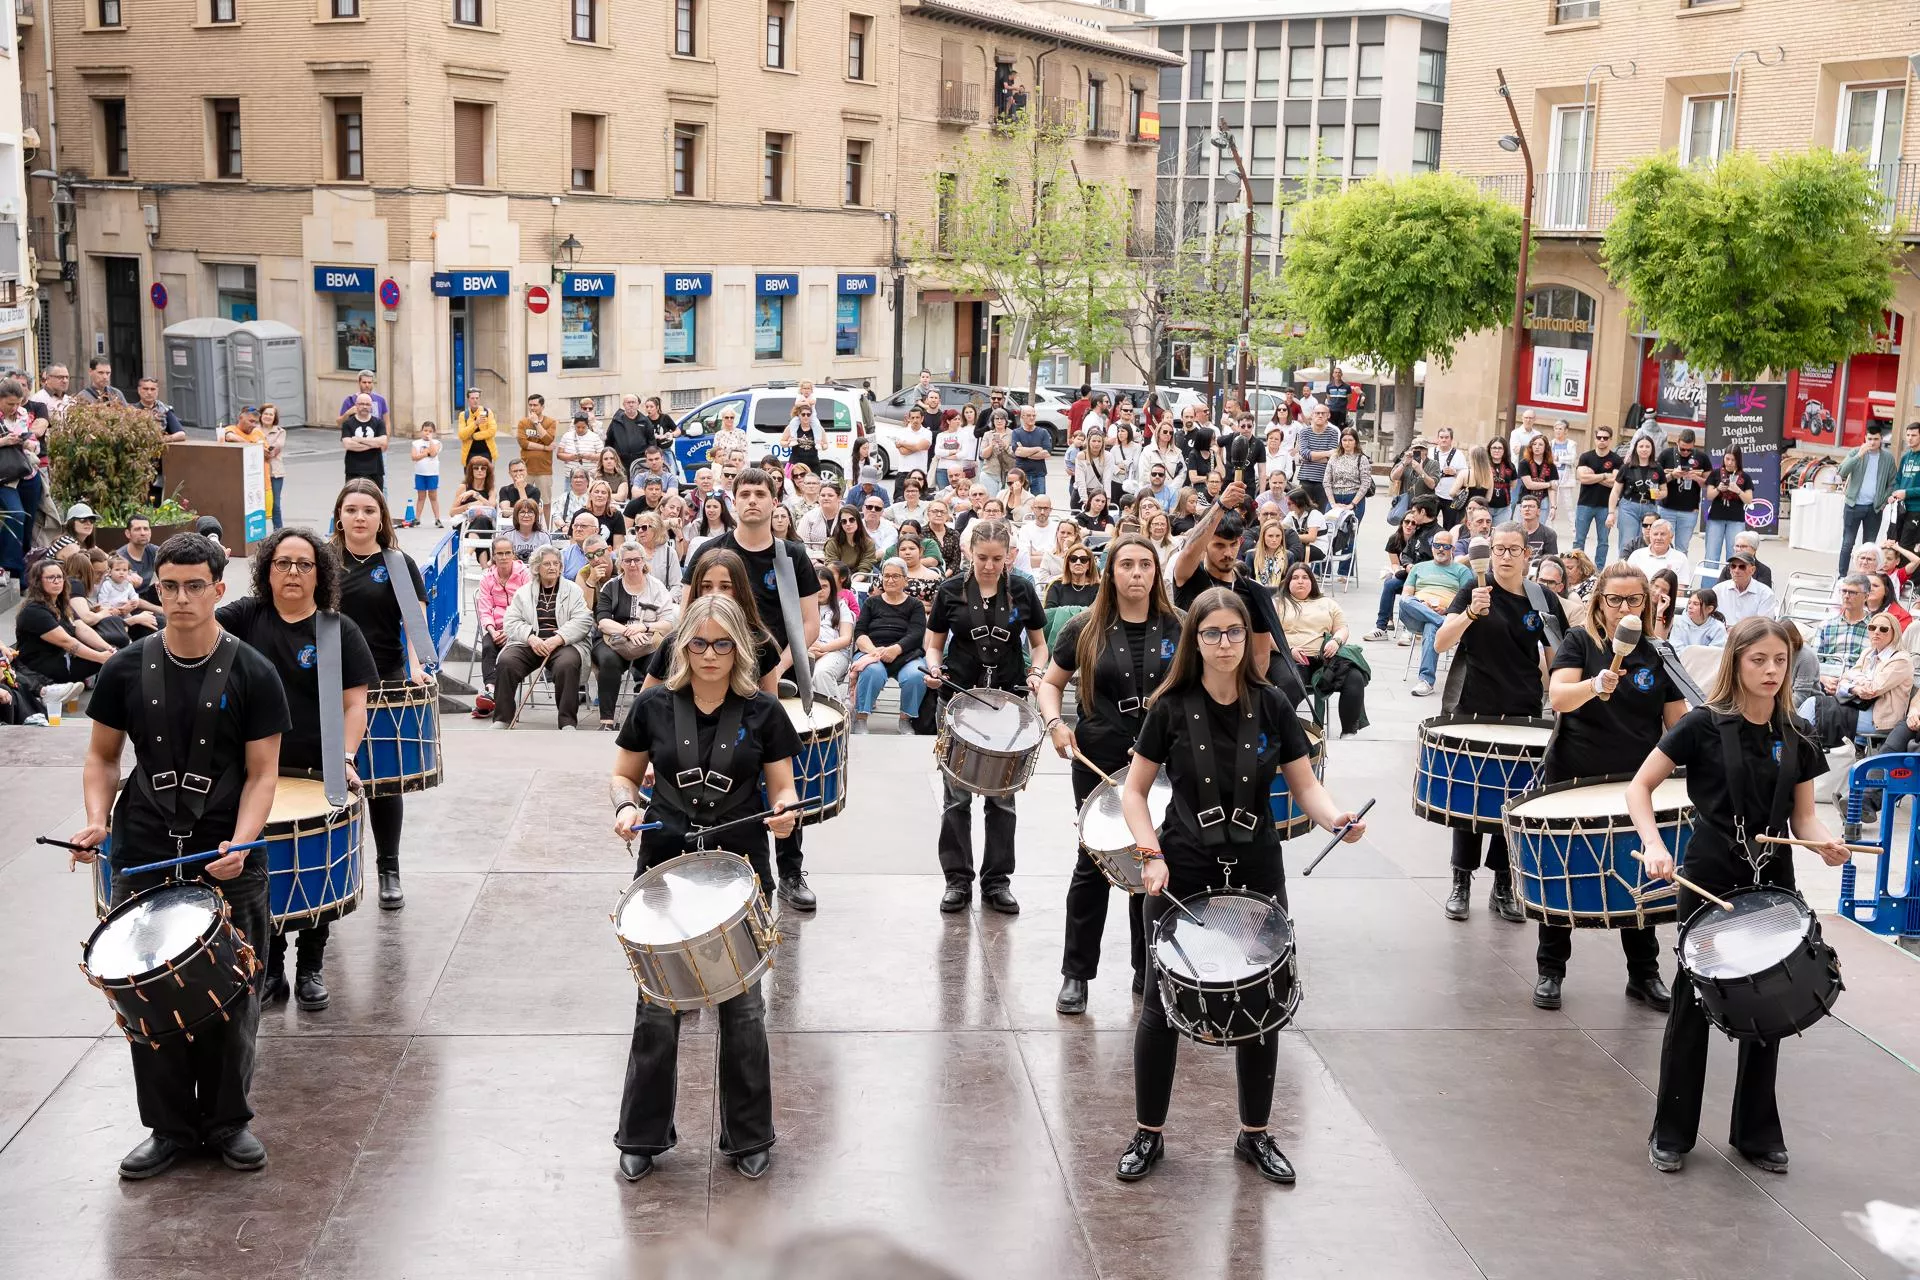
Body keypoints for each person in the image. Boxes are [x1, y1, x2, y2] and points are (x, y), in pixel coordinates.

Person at [1115, 586, 1367, 1186]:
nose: (1224, 643)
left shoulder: (1273, 703)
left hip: (1257, 868)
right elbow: (1134, 791)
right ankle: (1148, 1133)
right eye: (1212, 634)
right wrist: (1149, 854)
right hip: (1182, 868)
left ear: (1247, 638)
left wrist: (1334, 818)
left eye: (1233, 632)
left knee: (1263, 1001)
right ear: (1195, 640)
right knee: (1160, 1007)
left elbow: (1305, 786)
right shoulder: (1169, 706)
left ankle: (1254, 1134)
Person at [68, 532, 289, 1180]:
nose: (182, 598)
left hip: (227, 852)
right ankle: (168, 1129)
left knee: (234, 993)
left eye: (195, 586)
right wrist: (96, 820)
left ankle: (227, 1122)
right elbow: (102, 757)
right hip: (145, 846)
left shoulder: (254, 671)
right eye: (169, 586)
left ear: (219, 588)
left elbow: (263, 774)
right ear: (156, 589)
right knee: (146, 993)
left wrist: (242, 842)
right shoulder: (124, 669)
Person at [1630, 618, 1848, 1176]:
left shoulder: (1797, 732)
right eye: (1759, 660)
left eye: (1781, 660)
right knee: (1694, 1002)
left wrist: (1826, 844)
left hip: (1773, 879)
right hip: (1710, 874)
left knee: (1771, 1000)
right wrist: (1654, 846)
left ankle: (1755, 1133)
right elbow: (1640, 786)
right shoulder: (1701, 724)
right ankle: (1672, 1132)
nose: (1772, 671)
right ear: (1736, 660)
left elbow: (1804, 818)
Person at [609, 594, 802, 1184]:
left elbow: (783, 787)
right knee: (657, 1007)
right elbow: (623, 774)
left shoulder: (764, 711)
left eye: (722, 644)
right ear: (683, 647)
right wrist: (625, 807)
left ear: (738, 648)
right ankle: (642, 1135)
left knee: (743, 1009)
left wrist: (786, 812)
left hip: (739, 870)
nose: (710, 654)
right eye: (698, 643)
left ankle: (748, 1134)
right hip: (664, 866)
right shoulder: (652, 705)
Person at [217, 529, 377, 1012]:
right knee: (258, 870)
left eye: (304, 564)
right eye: (282, 563)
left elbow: (354, 705)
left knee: (312, 869)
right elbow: (196, 625)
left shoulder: (337, 630)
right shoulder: (245, 616)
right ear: (267, 570)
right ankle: (270, 968)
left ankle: (310, 965)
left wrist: (345, 759)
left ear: (319, 574)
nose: (292, 572)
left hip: (315, 769)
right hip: (251, 770)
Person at [1533, 563, 1687, 1012]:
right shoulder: (1580, 642)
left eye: (1634, 600)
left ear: (1647, 604)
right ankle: (1550, 970)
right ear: (1599, 601)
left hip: (1634, 782)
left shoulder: (1658, 653)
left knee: (1638, 878)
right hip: (1574, 775)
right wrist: (1593, 684)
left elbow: (1677, 723)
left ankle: (1644, 974)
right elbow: (1559, 697)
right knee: (1563, 873)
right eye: (1615, 599)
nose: (1624, 608)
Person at [1038, 533, 1178, 1011]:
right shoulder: (1083, 627)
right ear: (1111, 573)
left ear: (1156, 572)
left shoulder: (1180, 626)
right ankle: (1076, 975)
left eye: (1145, 565)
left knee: (1153, 860)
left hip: (1162, 761)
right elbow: (1051, 685)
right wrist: (1055, 724)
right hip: (1099, 760)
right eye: (1127, 565)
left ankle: (1149, 968)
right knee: (1093, 864)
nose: (1137, 573)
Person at [1434, 523, 1567, 922]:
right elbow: (1441, 642)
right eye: (1498, 549)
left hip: (1524, 709)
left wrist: (1560, 704)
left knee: (1514, 799)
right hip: (1474, 706)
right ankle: (1460, 881)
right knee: (1471, 797)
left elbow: (1557, 657)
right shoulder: (1474, 589)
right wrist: (1470, 613)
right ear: (1489, 553)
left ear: (1528, 554)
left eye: (1513, 549)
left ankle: (1504, 885)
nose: (1505, 556)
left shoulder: (1543, 598)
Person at [706, 468, 822, 910]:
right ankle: (723, 869)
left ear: (775, 502)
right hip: (715, 679)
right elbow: (691, 616)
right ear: (734, 501)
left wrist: (776, 665)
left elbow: (809, 625)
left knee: (780, 778)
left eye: (761, 493)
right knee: (722, 774)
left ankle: (790, 872)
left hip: (771, 684)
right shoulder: (712, 552)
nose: (752, 500)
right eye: (745, 493)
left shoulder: (791, 556)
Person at [923, 519, 1049, 914]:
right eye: (982, 558)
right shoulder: (950, 590)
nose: (990, 566)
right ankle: (957, 881)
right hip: (958, 701)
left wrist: (1036, 672)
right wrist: (934, 667)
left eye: (997, 559)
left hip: (1008, 703)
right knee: (956, 797)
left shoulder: (1023, 589)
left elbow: (1040, 645)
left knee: (1002, 799)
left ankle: (997, 882)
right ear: (969, 553)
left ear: (1009, 555)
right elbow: (933, 643)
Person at [330, 479, 430, 909]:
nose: (360, 517)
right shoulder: (321, 561)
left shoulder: (397, 562)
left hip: (384, 680)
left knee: (384, 783)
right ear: (339, 516)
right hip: (329, 681)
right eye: (351, 510)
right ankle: (332, 874)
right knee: (330, 780)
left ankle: (389, 869)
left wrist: (417, 667)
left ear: (381, 518)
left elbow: (414, 622)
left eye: (368, 510)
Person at [489, 544, 593, 729]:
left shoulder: (573, 590)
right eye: (547, 564)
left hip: (563, 644)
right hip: (530, 643)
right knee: (506, 661)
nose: (552, 567)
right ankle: (502, 719)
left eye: (556, 563)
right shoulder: (524, 592)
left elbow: (583, 620)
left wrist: (558, 638)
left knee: (567, 664)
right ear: (537, 567)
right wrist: (530, 637)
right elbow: (510, 622)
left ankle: (567, 721)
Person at [593, 541, 677, 730]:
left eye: (637, 560)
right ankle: (606, 721)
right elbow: (603, 621)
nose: (632, 564)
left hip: (647, 640)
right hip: (613, 640)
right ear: (620, 563)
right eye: (627, 561)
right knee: (608, 661)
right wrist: (628, 631)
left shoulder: (657, 587)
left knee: (660, 662)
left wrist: (644, 627)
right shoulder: (611, 587)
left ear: (643, 561)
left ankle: (651, 720)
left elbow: (668, 623)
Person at [12, 557, 116, 687]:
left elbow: (82, 629)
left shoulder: (61, 604)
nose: (57, 581)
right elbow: (66, 642)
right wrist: (101, 657)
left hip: (62, 659)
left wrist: (109, 649)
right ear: (38, 581)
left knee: (117, 654)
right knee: (113, 662)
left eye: (60, 577)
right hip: (41, 667)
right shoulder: (34, 610)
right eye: (51, 578)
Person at [1397, 530, 1476, 697]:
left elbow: (1466, 600)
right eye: (1437, 545)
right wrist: (1423, 606)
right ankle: (1442, 622)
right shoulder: (1418, 567)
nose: (1441, 549)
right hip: (1416, 614)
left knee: (1431, 626)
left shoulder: (1462, 571)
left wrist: (1447, 610)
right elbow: (1407, 595)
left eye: (1445, 546)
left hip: (1447, 614)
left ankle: (1426, 681)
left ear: (1452, 549)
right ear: (1432, 547)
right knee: (1404, 601)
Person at [1838, 427, 1896, 575]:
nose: (1872, 442)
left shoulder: (1887, 458)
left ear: (1881, 439)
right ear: (1865, 438)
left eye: (1876, 439)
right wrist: (1859, 455)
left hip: (1873, 508)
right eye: (1869, 439)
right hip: (1853, 506)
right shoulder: (1856, 452)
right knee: (1847, 543)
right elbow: (1842, 471)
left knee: (1869, 546)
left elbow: (1893, 482)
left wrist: (1883, 501)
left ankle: (1867, 577)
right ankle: (1842, 575)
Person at [1572, 425, 1620, 565]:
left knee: (1603, 541)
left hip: (1605, 506)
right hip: (1585, 504)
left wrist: (1593, 477)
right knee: (1579, 540)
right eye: (1599, 437)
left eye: (1605, 438)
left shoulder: (1616, 459)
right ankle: (1577, 566)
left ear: (1610, 440)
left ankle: (1599, 570)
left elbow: (1615, 482)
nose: (1602, 440)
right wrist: (1605, 475)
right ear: (1595, 439)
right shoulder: (1586, 457)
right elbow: (1582, 478)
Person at [1610, 434, 1664, 545]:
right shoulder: (1626, 467)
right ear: (1636, 448)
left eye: (1647, 446)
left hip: (1650, 507)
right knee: (1627, 542)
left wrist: (1660, 494)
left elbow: (1665, 490)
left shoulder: (1658, 468)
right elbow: (1615, 491)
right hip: (1629, 507)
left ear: (1652, 449)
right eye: (1641, 446)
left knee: (1647, 542)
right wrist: (1611, 512)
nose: (1644, 449)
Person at [1701, 446, 1752, 565]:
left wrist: (1738, 490)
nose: (1729, 463)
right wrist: (1718, 489)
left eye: (1733, 460)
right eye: (1727, 459)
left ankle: (1733, 576)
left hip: (1736, 519)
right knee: (1711, 553)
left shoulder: (1745, 477)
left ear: (1738, 460)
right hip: (1716, 517)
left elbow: (1749, 500)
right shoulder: (1715, 473)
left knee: (1735, 554)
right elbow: (1709, 496)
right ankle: (1709, 577)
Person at [1294, 403, 1340, 511]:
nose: (1320, 415)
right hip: (1305, 478)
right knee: (1304, 512)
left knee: (1322, 513)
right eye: (1317, 413)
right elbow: (1305, 453)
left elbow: (1332, 457)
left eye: (1323, 413)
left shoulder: (1333, 433)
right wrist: (1327, 453)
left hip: (1324, 480)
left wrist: (1311, 456)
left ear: (1328, 415)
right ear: (1312, 415)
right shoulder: (1304, 432)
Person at [339, 394, 388, 490]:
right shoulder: (348, 423)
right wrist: (373, 444)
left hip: (375, 470)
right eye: (361, 404)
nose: (364, 407)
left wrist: (360, 440)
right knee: (353, 497)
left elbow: (383, 442)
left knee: (375, 498)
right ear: (356, 405)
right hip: (353, 470)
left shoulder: (379, 423)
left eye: (367, 404)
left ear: (371, 406)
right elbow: (348, 445)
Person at [456, 387, 497, 465]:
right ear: (468, 400)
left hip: (486, 452)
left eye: (477, 398)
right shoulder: (463, 415)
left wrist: (474, 436)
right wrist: (475, 423)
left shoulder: (487, 412)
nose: (475, 400)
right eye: (472, 398)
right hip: (469, 453)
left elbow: (492, 431)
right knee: (469, 473)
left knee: (486, 472)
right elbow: (461, 435)